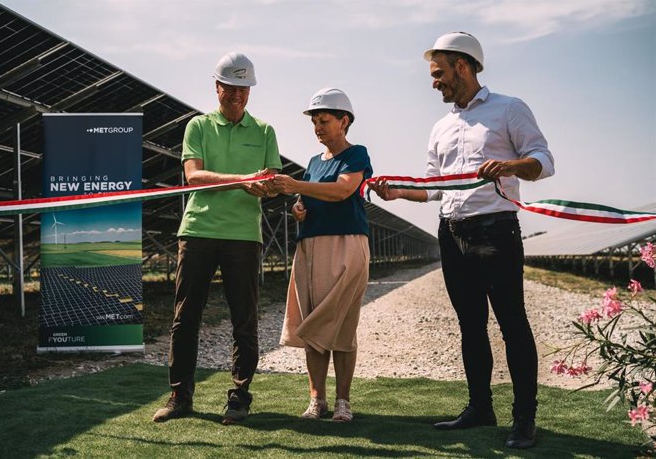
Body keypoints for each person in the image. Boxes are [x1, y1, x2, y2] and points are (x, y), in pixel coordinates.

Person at [369, 32, 554, 449]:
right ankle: (479, 408)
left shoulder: (510, 108)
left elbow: (544, 161)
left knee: (512, 325)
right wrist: (398, 191)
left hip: (496, 229)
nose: (434, 82)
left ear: (463, 66)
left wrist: (509, 165)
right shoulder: (441, 126)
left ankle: (524, 419)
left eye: (439, 73)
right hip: (451, 232)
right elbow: (435, 186)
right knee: (470, 326)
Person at [152, 52, 282, 425]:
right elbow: (193, 176)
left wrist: (265, 187)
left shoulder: (265, 131)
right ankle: (180, 396)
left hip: (243, 236)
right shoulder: (198, 127)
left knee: (244, 319)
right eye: (231, 88)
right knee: (185, 317)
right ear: (217, 87)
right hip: (198, 232)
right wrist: (243, 180)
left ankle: (239, 398)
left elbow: (270, 181)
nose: (238, 96)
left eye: (244, 89)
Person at [268, 88, 373, 422]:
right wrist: (300, 206)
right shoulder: (313, 164)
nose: (317, 127)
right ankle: (318, 399)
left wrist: (298, 186)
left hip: (347, 244)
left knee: (341, 322)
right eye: (314, 121)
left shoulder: (356, 155)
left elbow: (344, 190)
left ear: (344, 121)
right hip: (311, 246)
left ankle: (344, 400)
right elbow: (312, 199)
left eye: (324, 120)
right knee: (313, 320)